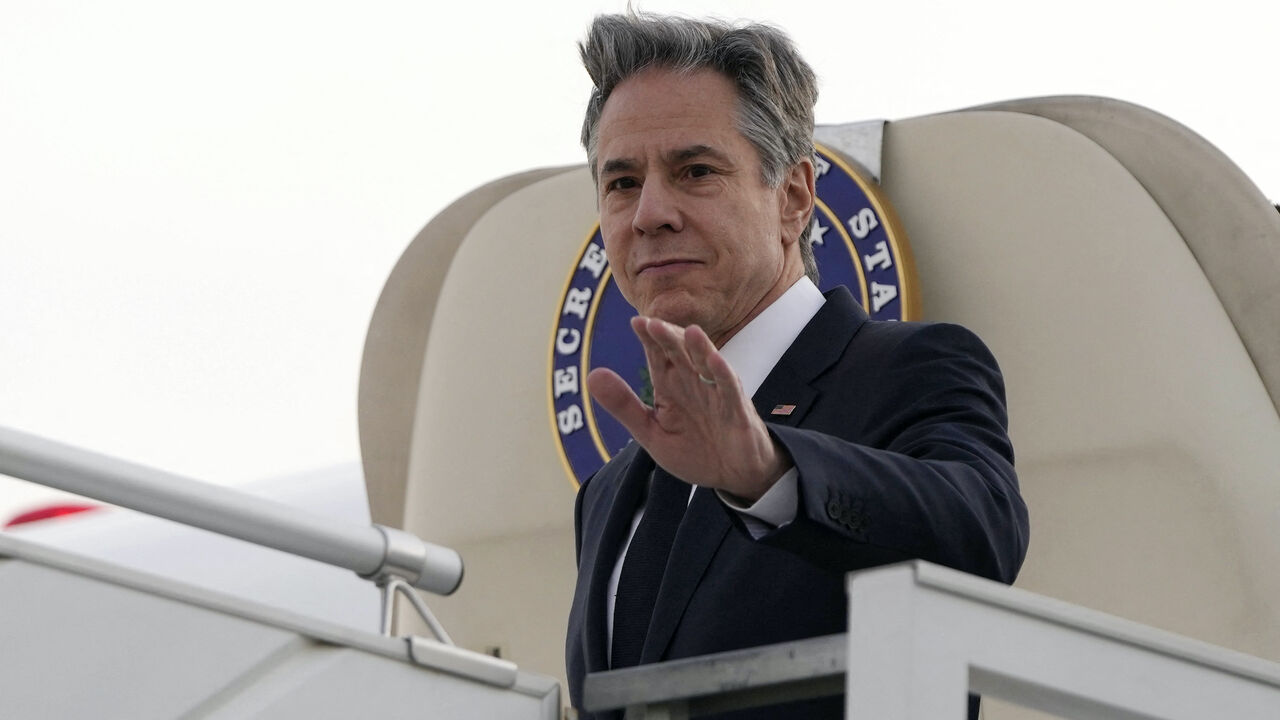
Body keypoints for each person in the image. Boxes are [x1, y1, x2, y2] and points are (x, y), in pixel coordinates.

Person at [565, 12, 1029, 719]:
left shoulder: (908, 369)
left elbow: (981, 537)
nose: (650, 212)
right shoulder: (607, 493)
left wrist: (769, 475)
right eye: (622, 182)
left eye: (695, 171)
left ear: (794, 197)